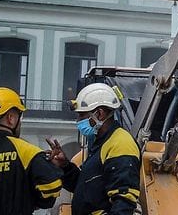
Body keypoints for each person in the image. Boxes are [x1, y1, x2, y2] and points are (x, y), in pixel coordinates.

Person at [47, 82, 140, 215]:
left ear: (99, 114)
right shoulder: (100, 143)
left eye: (82, 115)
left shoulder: (120, 144)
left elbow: (124, 202)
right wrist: (65, 166)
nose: (78, 121)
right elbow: (86, 190)